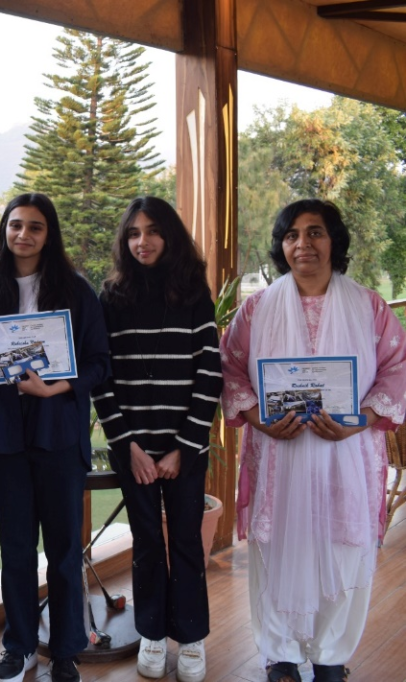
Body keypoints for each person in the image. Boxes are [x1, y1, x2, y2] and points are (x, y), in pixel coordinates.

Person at [220, 199, 406, 682]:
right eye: (292, 235)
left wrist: (360, 420)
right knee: (277, 546)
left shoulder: (370, 306)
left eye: (316, 232)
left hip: (347, 451)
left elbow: (396, 371)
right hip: (276, 453)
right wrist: (257, 417)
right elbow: (231, 368)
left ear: (334, 241)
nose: (303, 243)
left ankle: (330, 657)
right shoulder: (256, 308)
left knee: (343, 546)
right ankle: (279, 653)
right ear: (282, 246)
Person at [0, 193, 111, 682]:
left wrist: (57, 386)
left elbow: (100, 362)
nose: (23, 235)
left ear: (49, 234)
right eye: (15, 225)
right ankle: (18, 645)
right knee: (15, 551)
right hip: (9, 439)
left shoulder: (76, 291)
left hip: (59, 435)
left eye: (35, 227)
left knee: (62, 551)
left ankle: (66, 651)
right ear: (5, 231)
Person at [92, 196, 221, 682]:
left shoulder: (194, 292)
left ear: (170, 237)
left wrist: (183, 448)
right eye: (133, 233)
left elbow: (209, 372)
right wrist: (128, 445)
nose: (142, 241)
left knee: (186, 540)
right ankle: (150, 631)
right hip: (134, 450)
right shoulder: (112, 296)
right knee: (146, 542)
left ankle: (190, 639)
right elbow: (103, 379)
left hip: (183, 449)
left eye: (152, 231)